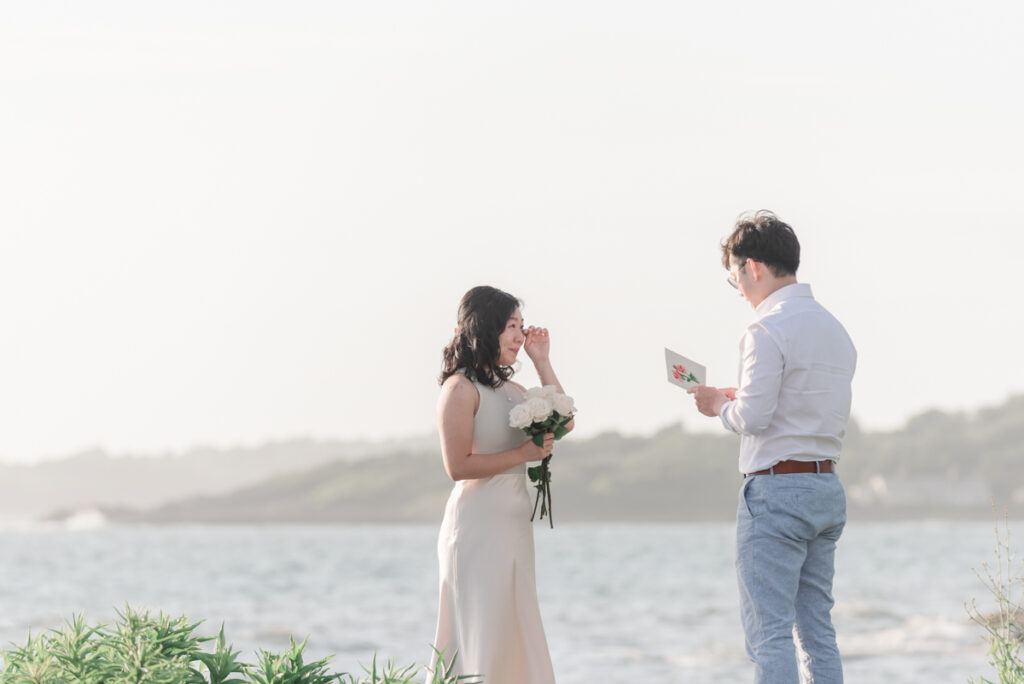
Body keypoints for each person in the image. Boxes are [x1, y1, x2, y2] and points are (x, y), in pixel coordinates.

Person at [689, 211, 856, 683]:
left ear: (753, 267)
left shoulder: (764, 329)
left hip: (777, 492)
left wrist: (715, 407)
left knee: (769, 635)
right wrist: (738, 397)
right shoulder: (834, 329)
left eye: (734, 276)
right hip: (825, 486)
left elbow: (753, 419)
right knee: (817, 632)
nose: (738, 288)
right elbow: (807, 405)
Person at [428, 285, 573, 684]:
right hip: (476, 527)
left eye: (522, 327)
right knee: (480, 632)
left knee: (513, 626)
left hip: (512, 527)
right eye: (511, 326)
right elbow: (457, 466)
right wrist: (522, 456)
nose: (519, 337)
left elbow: (566, 420)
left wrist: (542, 360)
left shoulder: (515, 392)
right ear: (485, 328)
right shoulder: (460, 389)